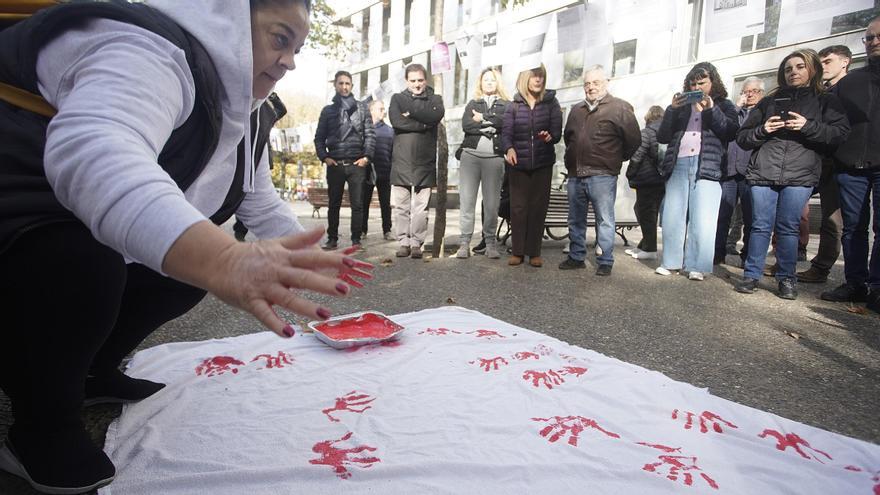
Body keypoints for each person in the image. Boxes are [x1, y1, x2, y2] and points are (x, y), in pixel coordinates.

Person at [0, 1, 373, 493]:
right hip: (23, 215)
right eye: (280, 39)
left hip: (66, 217)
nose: (290, 62)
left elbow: (256, 197)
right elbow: (95, 151)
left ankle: (91, 373)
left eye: (298, 49)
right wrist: (223, 259)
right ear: (224, 19)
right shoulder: (147, 49)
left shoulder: (248, 110)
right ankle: (41, 424)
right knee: (87, 265)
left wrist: (308, 258)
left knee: (180, 278)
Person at [735, 48, 849, 300]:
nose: (793, 72)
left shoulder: (825, 100)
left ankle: (786, 278)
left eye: (799, 67)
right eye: (788, 68)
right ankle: (751, 275)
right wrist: (763, 130)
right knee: (759, 226)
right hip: (764, 171)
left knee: (788, 227)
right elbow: (742, 137)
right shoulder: (768, 101)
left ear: (811, 68)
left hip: (801, 173)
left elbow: (839, 134)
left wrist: (808, 127)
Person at [656, 62, 739, 281]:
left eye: (702, 83)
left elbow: (730, 132)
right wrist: (672, 110)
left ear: (713, 83)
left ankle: (697, 265)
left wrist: (711, 109)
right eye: (693, 83)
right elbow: (663, 136)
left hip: (709, 167)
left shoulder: (724, 104)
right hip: (679, 163)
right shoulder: (680, 106)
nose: (697, 87)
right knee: (672, 215)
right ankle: (671, 262)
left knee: (703, 219)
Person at [820, 18, 880, 313]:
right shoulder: (850, 82)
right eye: (868, 38)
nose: (873, 42)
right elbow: (830, 121)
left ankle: (878, 288)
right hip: (850, 165)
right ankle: (855, 282)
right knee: (853, 227)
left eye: (878, 37)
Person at [559, 65, 640, 275]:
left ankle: (605, 260)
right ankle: (576, 256)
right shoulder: (576, 110)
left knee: (604, 219)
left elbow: (633, 140)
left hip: (603, 175)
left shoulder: (620, 108)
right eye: (587, 83)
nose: (591, 87)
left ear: (607, 83)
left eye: (596, 82)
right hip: (576, 174)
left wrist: (614, 159)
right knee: (575, 219)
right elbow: (568, 138)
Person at [796, 45, 852, 284]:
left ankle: (822, 268)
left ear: (845, 62)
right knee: (797, 212)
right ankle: (793, 260)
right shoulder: (820, 93)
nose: (822, 67)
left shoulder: (851, 91)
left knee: (834, 220)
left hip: (845, 163)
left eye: (827, 62)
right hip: (819, 161)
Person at [501, 64, 563, 268]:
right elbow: (506, 133)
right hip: (518, 165)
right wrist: (509, 148)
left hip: (543, 163)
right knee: (518, 208)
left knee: (538, 208)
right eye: (534, 76)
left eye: (541, 76)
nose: (538, 79)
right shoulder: (513, 105)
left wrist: (549, 136)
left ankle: (534, 252)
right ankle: (518, 251)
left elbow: (556, 133)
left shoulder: (551, 103)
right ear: (525, 78)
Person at [313, 70, 375, 250]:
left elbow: (370, 134)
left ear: (352, 86)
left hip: (357, 164)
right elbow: (319, 138)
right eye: (341, 83)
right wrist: (324, 157)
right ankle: (332, 239)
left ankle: (356, 240)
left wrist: (366, 157)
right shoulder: (328, 111)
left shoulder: (362, 108)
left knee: (358, 204)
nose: (344, 87)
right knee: (334, 204)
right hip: (335, 164)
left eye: (347, 83)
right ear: (335, 85)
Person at [388, 63, 445, 259]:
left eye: (420, 80)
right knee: (402, 207)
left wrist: (410, 113)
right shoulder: (397, 98)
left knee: (421, 208)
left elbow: (436, 115)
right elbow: (396, 121)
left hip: (425, 161)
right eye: (412, 81)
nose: (417, 84)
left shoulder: (435, 98)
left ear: (425, 80)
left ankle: (416, 244)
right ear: (406, 81)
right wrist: (424, 123)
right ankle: (403, 242)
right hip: (402, 160)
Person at [455, 67, 510, 260]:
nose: (489, 83)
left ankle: (490, 243)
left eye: (492, 80)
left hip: (494, 158)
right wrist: (490, 127)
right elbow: (467, 125)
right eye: (485, 79)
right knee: (467, 201)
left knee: (492, 203)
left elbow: (506, 123)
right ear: (480, 82)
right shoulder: (473, 102)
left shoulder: (506, 104)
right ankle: (464, 243)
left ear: (498, 83)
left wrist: (484, 119)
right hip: (471, 156)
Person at [714, 77, 763, 265]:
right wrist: (736, 106)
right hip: (729, 171)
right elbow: (724, 127)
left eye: (754, 91)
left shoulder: (762, 112)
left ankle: (747, 256)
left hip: (751, 171)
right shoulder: (734, 111)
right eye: (745, 91)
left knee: (751, 217)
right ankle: (717, 254)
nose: (749, 95)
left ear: (761, 94)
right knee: (723, 215)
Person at [235, 91, 288, 242]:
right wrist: (229, 255)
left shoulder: (261, 115)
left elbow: (261, 204)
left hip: (255, 158)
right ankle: (239, 231)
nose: (289, 65)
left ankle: (240, 231)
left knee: (248, 190)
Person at [625, 105, 667, 261]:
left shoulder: (646, 133)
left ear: (648, 117)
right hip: (661, 179)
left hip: (646, 179)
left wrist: (629, 174)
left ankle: (649, 248)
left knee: (645, 213)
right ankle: (644, 244)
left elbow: (637, 156)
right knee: (650, 212)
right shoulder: (666, 133)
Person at [365, 98, 394, 241]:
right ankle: (362, 231)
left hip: (385, 172)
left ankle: (387, 231)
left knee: (385, 204)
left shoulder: (390, 131)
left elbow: (393, 153)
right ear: (371, 110)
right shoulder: (364, 129)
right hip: (366, 172)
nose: (384, 111)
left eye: (384, 108)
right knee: (363, 202)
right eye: (380, 109)